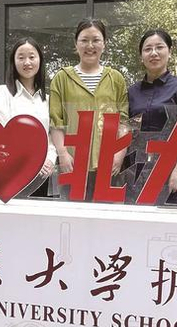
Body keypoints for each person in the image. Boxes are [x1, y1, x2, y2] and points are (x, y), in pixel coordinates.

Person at [49, 18, 129, 200]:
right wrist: (63, 154)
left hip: (108, 162)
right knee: (72, 213)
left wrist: (119, 155)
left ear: (104, 44)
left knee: (104, 214)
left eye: (96, 40)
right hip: (72, 162)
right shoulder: (62, 78)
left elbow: (123, 120)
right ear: (76, 44)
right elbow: (56, 121)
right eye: (84, 40)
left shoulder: (116, 78)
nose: (90, 46)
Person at [127, 28, 177, 205]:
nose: (154, 53)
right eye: (147, 49)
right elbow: (127, 128)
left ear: (169, 52)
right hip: (137, 167)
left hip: (169, 167)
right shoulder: (132, 91)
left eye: (159, 47)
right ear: (141, 56)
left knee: (169, 218)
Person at [0, 37, 56, 192]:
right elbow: (1, 133)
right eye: (21, 57)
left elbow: (50, 136)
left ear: (40, 60)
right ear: (13, 62)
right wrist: (33, 161)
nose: (27, 62)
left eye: (32, 57)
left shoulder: (47, 100)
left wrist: (50, 159)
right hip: (13, 171)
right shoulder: (3, 93)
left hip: (42, 175)